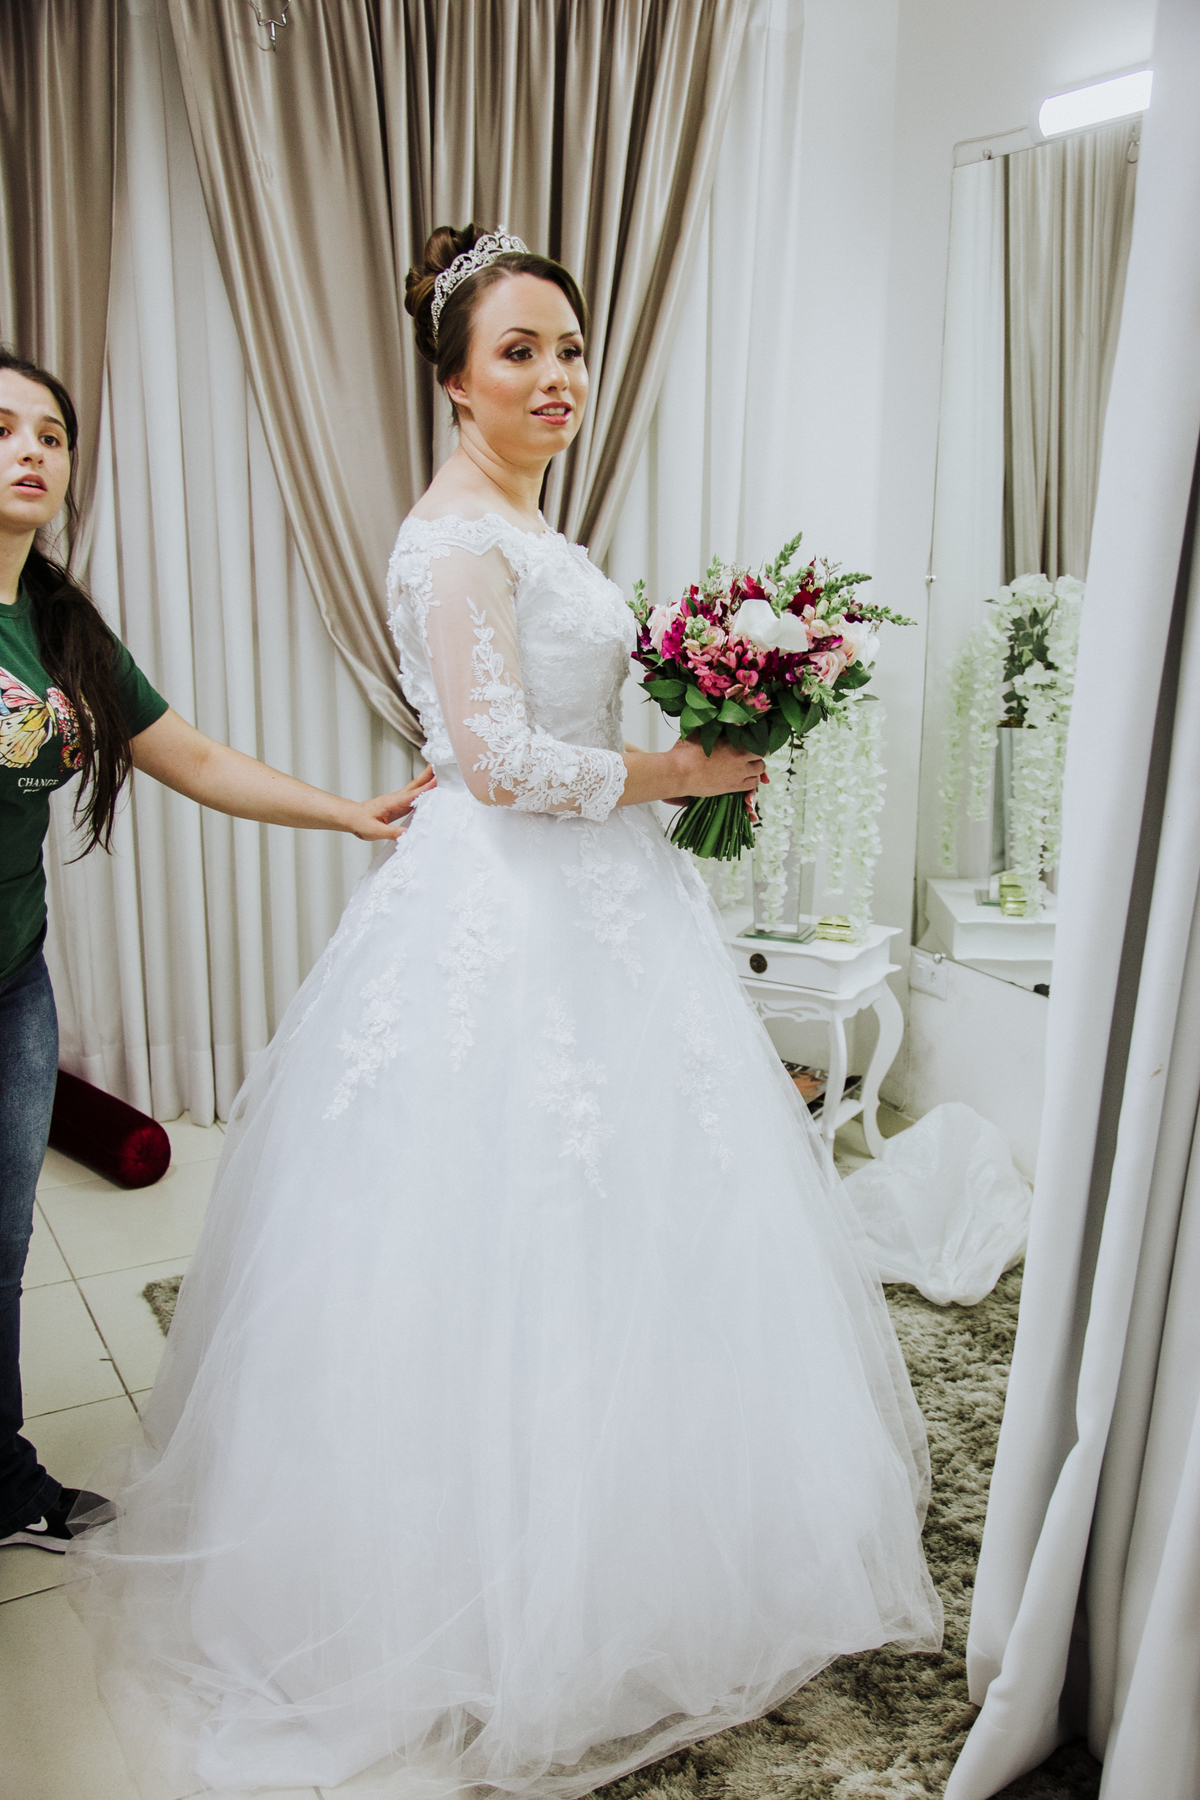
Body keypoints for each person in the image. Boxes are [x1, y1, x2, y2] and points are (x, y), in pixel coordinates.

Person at [71, 229, 941, 1800]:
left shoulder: (534, 525)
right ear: (456, 381)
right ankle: (477, 1600)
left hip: (604, 899)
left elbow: (564, 716)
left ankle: (657, 1539)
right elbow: (495, 762)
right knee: (505, 1227)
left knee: (644, 1220)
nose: (557, 379)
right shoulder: (454, 540)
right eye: (520, 352)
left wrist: (703, 719)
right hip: (510, 908)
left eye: (571, 349)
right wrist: (679, 769)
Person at [0, 347, 433, 1559]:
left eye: (51, 434)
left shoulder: (58, 626)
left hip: (13, 976)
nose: (30, 450)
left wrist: (346, 811)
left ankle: (1, 1478)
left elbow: (190, 756)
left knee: (3, 1244)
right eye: (2, 429)